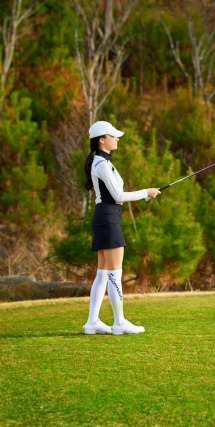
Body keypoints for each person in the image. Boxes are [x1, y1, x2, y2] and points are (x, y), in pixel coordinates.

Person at [82, 121, 161, 335]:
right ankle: (119, 323)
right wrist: (146, 192)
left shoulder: (102, 162)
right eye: (113, 136)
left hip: (106, 218)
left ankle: (92, 323)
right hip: (108, 219)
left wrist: (145, 193)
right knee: (114, 274)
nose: (117, 139)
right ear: (101, 139)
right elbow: (117, 196)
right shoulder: (101, 164)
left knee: (102, 273)